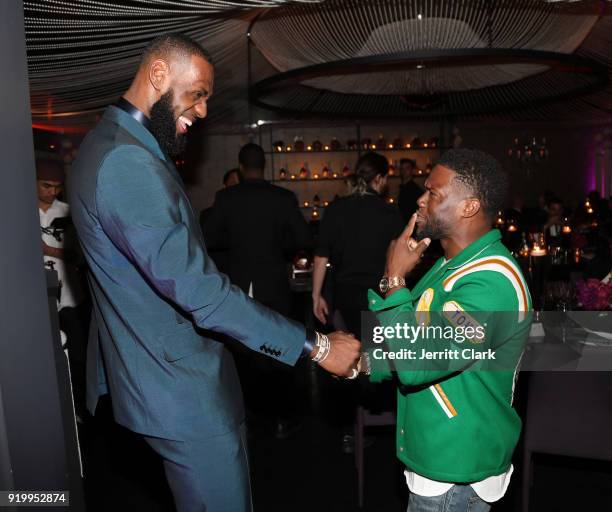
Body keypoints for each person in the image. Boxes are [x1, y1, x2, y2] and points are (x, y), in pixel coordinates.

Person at [67, 33, 360, 512]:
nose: (203, 111)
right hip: (180, 390)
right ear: (158, 74)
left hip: (159, 379)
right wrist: (319, 346)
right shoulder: (126, 163)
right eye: (197, 94)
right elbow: (203, 295)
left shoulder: (112, 143)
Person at [365, 149, 532, 512]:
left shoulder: (491, 284)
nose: (420, 201)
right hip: (440, 456)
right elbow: (427, 339)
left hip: (456, 472)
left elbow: (419, 360)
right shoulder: (450, 265)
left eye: (433, 193)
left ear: (468, 207)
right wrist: (364, 362)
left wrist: (395, 280)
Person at [202, 143, 313, 439]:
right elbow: (303, 238)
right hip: (273, 283)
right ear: (264, 165)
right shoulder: (282, 198)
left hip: (239, 283)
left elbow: (209, 237)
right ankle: (279, 418)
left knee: (241, 352)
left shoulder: (226, 198)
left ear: (240, 166)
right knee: (278, 348)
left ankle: (246, 418)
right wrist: (280, 247)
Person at [312, 151, 403, 452]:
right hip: (378, 298)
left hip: (346, 298)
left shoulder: (337, 209)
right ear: (380, 179)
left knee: (350, 357)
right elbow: (394, 263)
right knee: (380, 361)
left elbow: (321, 254)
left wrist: (316, 295)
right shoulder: (389, 213)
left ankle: (354, 426)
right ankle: (382, 420)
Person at [37, 158, 87, 415]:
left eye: (56, 186)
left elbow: (80, 255)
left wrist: (48, 250)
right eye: (46, 185)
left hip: (68, 295)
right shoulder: (20, 211)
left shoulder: (67, 211)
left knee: (76, 357)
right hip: (35, 299)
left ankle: (77, 409)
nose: (52, 191)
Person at [397, 158, 424, 223]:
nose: (404, 171)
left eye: (407, 168)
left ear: (412, 170)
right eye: (402, 168)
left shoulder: (415, 190)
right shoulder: (402, 188)